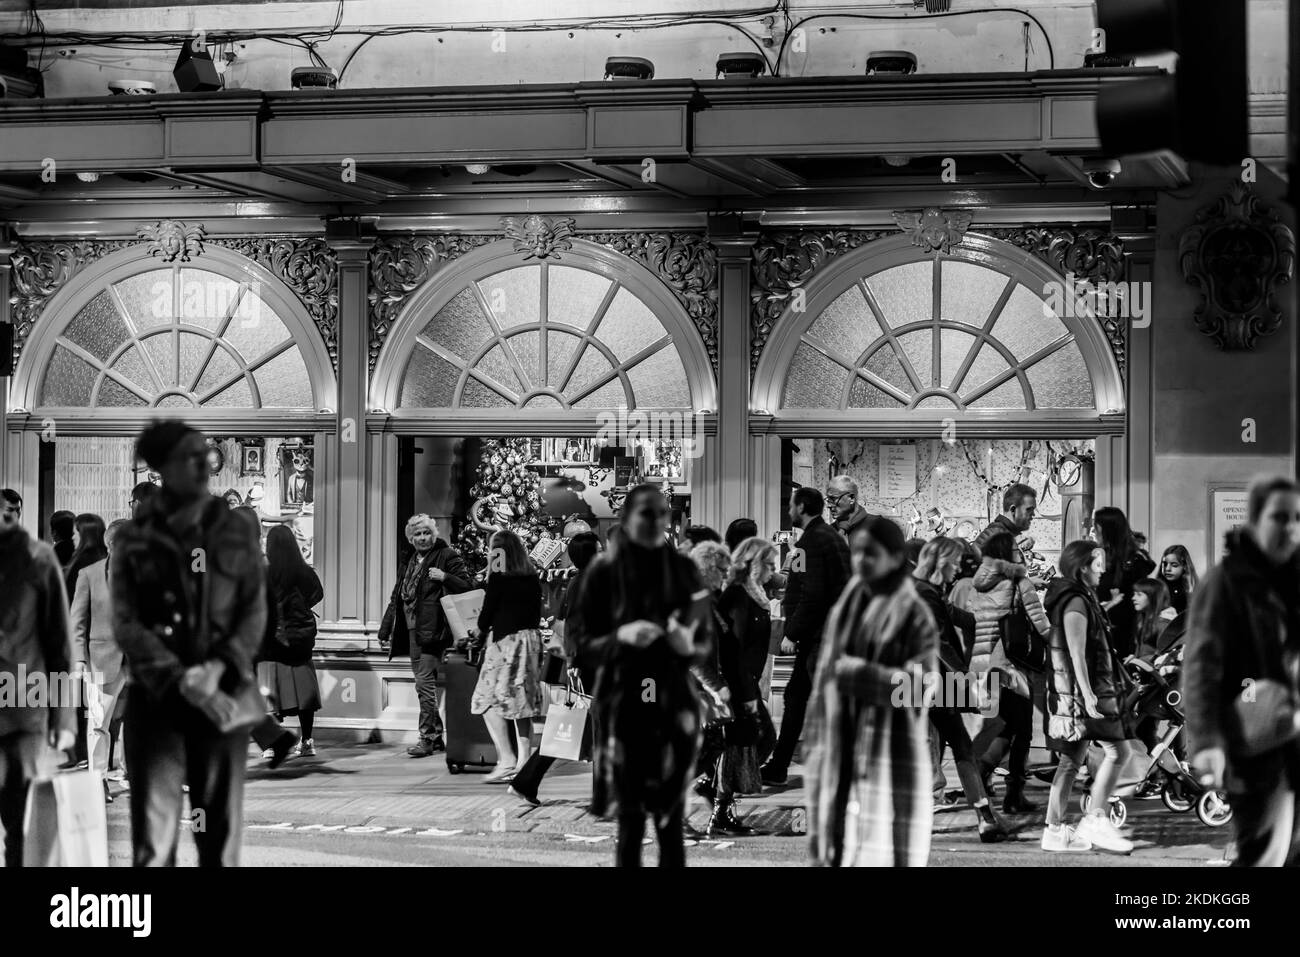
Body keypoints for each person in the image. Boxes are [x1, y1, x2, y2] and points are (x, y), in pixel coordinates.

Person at [112, 419, 266, 867]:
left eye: (206, 454)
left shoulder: (235, 530)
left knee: (218, 841)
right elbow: (126, 622)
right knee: (154, 845)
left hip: (222, 699)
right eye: (190, 456)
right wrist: (181, 679)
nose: (204, 463)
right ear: (162, 467)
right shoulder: (135, 538)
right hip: (158, 703)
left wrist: (217, 669)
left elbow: (253, 610)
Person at [576, 484, 709, 867]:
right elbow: (582, 644)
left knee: (670, 818)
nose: (655, 522)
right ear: (627, 518)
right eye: (646, 514)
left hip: (671, 699)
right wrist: (621, 635)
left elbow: (703, 641)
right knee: (631, 817)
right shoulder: (604, 571)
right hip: (623, 699)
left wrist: (686, 643)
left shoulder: (682, 569)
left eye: (661, 514)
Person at [805, 516, 940, 866]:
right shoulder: (850, 601)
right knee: (837, 840)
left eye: (871, 553)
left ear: (895, 558)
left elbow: (922, 686)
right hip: (841, 737)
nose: (860, 560)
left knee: (884, 843)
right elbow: (825, 673)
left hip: (888, 746)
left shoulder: (914, 614)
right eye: (858, 552)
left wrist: (858, 674)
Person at [1185, 476, 1300, 867]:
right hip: (1252, 740)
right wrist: (1207, 743)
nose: (1290, 527)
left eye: (1297, 517)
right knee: (1263, 854)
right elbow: (1202, 668)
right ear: (1255, 520)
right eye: (1279, 517)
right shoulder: (1224, 583)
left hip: (1293, 735)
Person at [1041, 540, 1134, 854]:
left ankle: (1055, 830)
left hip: (1077, 695)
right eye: (1097, 563)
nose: (1103, 569)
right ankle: (1095, 817)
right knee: (1119, 753)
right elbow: (1076, 653)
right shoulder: (1076, 601)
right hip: (1084, 697)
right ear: (1082, 566)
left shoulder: (1078, 597)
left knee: (1070, 761)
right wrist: (1089, 695)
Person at [912, 536, 1007, 842]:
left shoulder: (923, 590)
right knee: (950, 746)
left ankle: (983, 815)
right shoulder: (923, 593)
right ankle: (983, 816)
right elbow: (940, 642)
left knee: (950, 745)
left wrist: (991, 620)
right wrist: (967, 679)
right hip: (929, 681)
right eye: (954, 563)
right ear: (941, 561)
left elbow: (954, 617)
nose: (958, 570)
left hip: (922, 681)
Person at [0, 504, 77, 866]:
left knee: (23, 828)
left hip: (23, 714)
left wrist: (63, 719)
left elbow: (59, 645)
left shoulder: (39, 559)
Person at [761, 487, 851, 785]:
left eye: (791, 505)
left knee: (814, 701)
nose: (789, 511)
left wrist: (792, 633)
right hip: (825, 635)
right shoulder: (826, 537)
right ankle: (779, 765)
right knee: (797, 698)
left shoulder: (814, 540)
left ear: (802, 506)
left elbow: (812, 594)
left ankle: (835, 769)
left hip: (820, 637)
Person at [509, 531, 602, 806]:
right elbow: (575, 626)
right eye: (598, 548)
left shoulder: (581, 582)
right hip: (589, 664)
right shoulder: (588, 583)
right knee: (595, 728)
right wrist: (574, 662)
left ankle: (526, 781)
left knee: (574, 727)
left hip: (587, 662)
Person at [969, 531, 1051, 813]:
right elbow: (1041, 625)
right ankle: (1011, 793)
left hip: (983, 666)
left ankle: (982, 777)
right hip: (1012, 668)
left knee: (1005, 725)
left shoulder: (977, 585)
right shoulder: (1019, 582)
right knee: (1023, 729)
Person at [378, 514, 470, 758]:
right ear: (410, 538)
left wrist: (445, 577)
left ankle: (427, 737)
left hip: (434, 630)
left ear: (434, 534)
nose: (422, 538)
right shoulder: (408, 560)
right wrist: (385, 629)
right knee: (423, 683)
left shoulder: (446, 556)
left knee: (423, 682)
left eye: (426, 533)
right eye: (417, 534)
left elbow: (467, 585)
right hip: (412, 630)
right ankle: (436, 735)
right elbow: (396, 597)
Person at [470, 529, 543, 783]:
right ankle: (524, 762)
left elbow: (486, 614)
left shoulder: (499, 577)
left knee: (485, 700)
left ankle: (506, 759)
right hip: (531, 642)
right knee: (522, 704)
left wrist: (475, 634)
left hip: (506, 643)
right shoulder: (531, 575)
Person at [70, 518, 132, 802]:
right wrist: (79, 661)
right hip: (100, 660)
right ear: (112, 545)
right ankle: (98, 781)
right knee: (98, 725)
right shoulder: (89, 574)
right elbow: (77, 623)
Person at [262, 525, 324, 759]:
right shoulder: (303, 571)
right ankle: (307, 740)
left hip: (272, 642)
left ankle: (270, 744)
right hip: (299, 640)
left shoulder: (265, 573)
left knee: (269, 692)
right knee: (304, 695)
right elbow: (317, 594)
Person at [1092, 506, 1156, 659]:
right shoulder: (1098, 555)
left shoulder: (1135, 560)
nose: (1093, 531)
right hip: (1103, 625)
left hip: (1127, 628)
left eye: (1096, 526)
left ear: (1106, 529)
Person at [974, 483, 1038, 563]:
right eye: (1029, 509)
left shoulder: (1002, 532)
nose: (1033, 514)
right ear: (1013, 510)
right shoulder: (999, 537)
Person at [64, 513, 108, 601]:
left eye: (75, 533)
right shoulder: (107, 558)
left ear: (84, 535)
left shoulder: (81, 564)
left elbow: (71, 598)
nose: (72, 537)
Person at [826, 474, 879, 542]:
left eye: (833, 499)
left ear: (851, 498)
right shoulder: (829, 532)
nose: (828, 505)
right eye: (828, 500)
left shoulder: (879, 526)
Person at [1158, 544, 1198, 615]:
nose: (1167, 569)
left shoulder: (1191, 587)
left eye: (1174, 565)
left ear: (1185, 566)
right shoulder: (1157, 586)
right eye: (1164, 564)